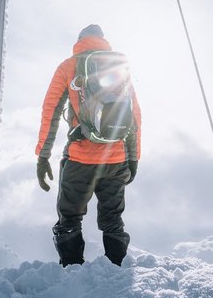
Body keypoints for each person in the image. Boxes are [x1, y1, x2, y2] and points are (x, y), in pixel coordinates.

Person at [35, 24, 142, 267]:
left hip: (80, 159)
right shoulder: (118, 67)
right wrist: (133, 158)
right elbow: (135, 116)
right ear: (103, 40)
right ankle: (116, 269)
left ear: (80, 40)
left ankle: (73, 271)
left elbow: (50, 112)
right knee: (113, 219)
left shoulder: (68, 66)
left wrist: (43, 156)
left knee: (70, 218)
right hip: (116, 159)